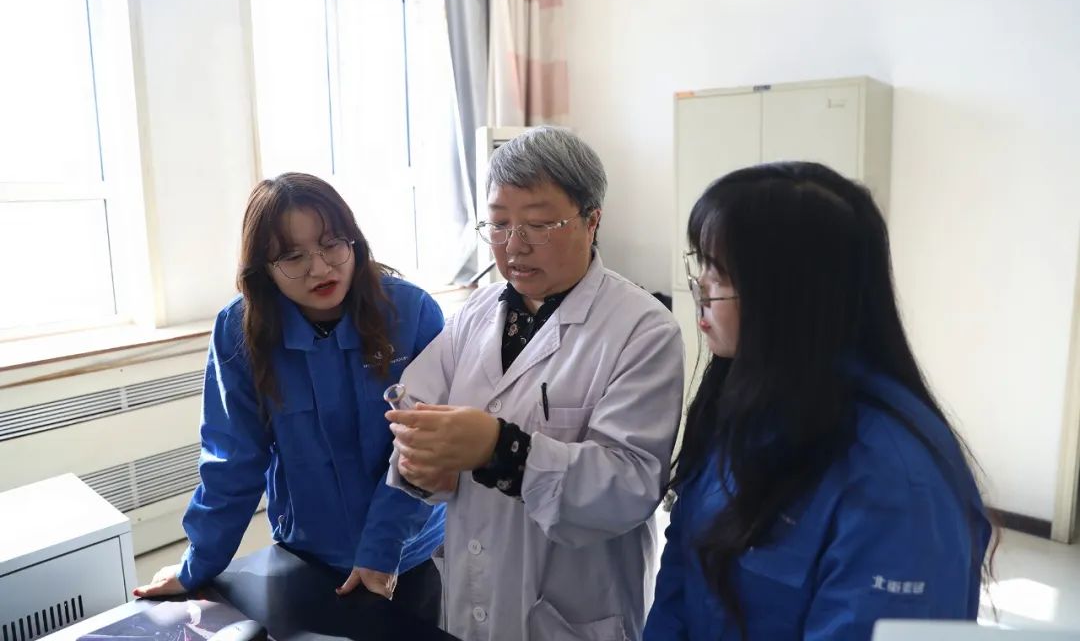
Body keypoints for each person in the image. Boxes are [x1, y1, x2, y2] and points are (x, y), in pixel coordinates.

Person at [644, 162, 993, 640]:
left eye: (719, 274)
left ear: (790, 295)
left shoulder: (897, 484)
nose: (700, 287)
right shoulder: (744, 404)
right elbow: (683, 573)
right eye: (701, 264)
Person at [384, 127, 684, 641]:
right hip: (473, 593)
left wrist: (501, 449)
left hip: (573, 609)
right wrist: (420, 463)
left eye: (539, 225)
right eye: (499, 224)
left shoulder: (642, 328)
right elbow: (417, 406)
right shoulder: (476, 313)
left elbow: (631, 485)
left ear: (592, 220)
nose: (514, 245)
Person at [134, 173, 446, 624]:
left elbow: (423, 449)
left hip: (408, 552)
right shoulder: (239, 330)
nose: (320, 268)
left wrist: (381, 549)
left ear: (354, 242)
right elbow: (232, 458)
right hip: (308, 553)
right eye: (292, 256)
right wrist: (197, 564)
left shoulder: (411, 312)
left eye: (332, 244)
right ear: (263, 267)